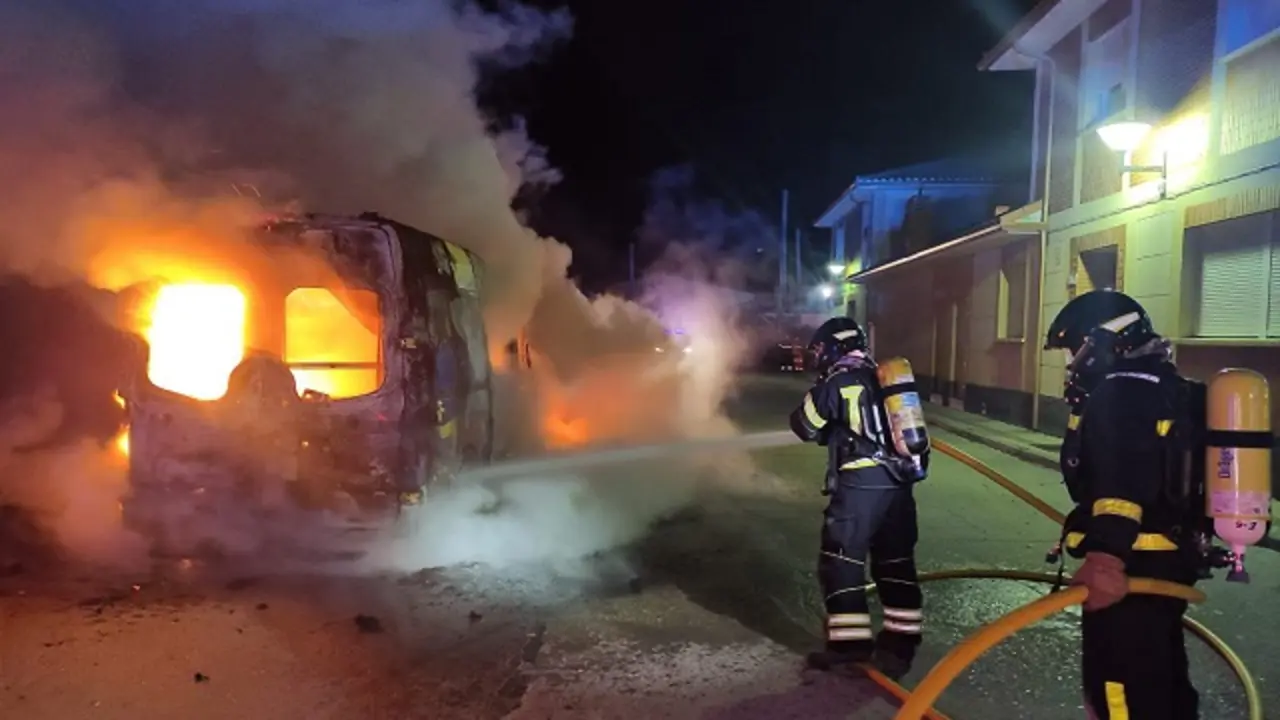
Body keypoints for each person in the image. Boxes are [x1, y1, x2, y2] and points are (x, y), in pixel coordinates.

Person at [1044, 289, 1201, 719]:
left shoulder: (1121, 393)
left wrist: (1105, 561)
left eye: (1073, 348)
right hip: (1165, 563)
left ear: (1102, 341)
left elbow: (1123, 480)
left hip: (1132, 568)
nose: (1071, 361)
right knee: (1162, 677)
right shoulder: (1162, 385)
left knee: (1119, 686)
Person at [789, 316, 926, 677]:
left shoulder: (837, 381)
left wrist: (821, 394)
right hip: (899, 484)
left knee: (841, 560)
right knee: (895, 562)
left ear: (834, 347)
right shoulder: (887, 379)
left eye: (820, 349)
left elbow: (803, 425)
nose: (818, 356)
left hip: (860, 486)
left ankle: (850, 647)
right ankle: (900, 649)